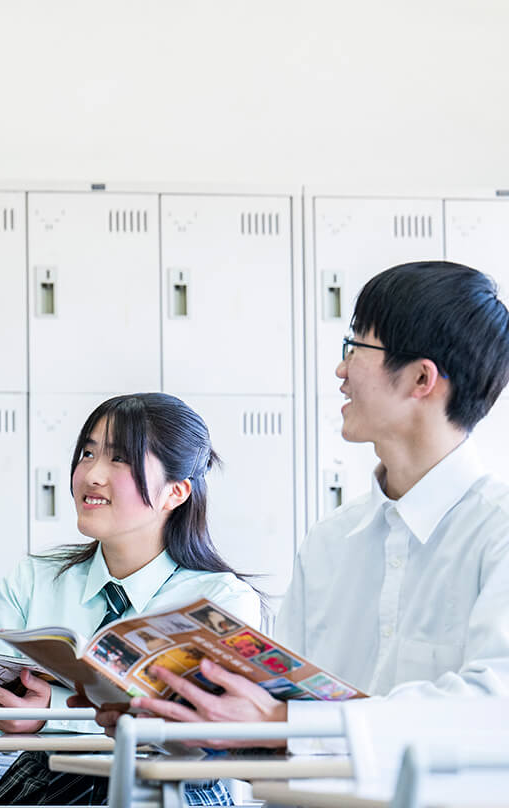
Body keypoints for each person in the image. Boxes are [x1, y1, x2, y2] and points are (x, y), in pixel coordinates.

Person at [116, 261, 509, 743]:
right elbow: (273, 717)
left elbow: (492, 709)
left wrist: (283, 725)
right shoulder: (330, 542)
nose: (341, 370)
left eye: (356, 346)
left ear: (421, 379)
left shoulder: (497, 532)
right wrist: (179, 715)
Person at [0, 392, 263, 805]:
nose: (91, 474)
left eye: (120, 459)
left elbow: (200, 738)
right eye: (88, 453)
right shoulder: (37, 578)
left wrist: (46, 717)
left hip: (165, 792)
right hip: (47, 783)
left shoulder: (218, 600)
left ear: (176, 492)